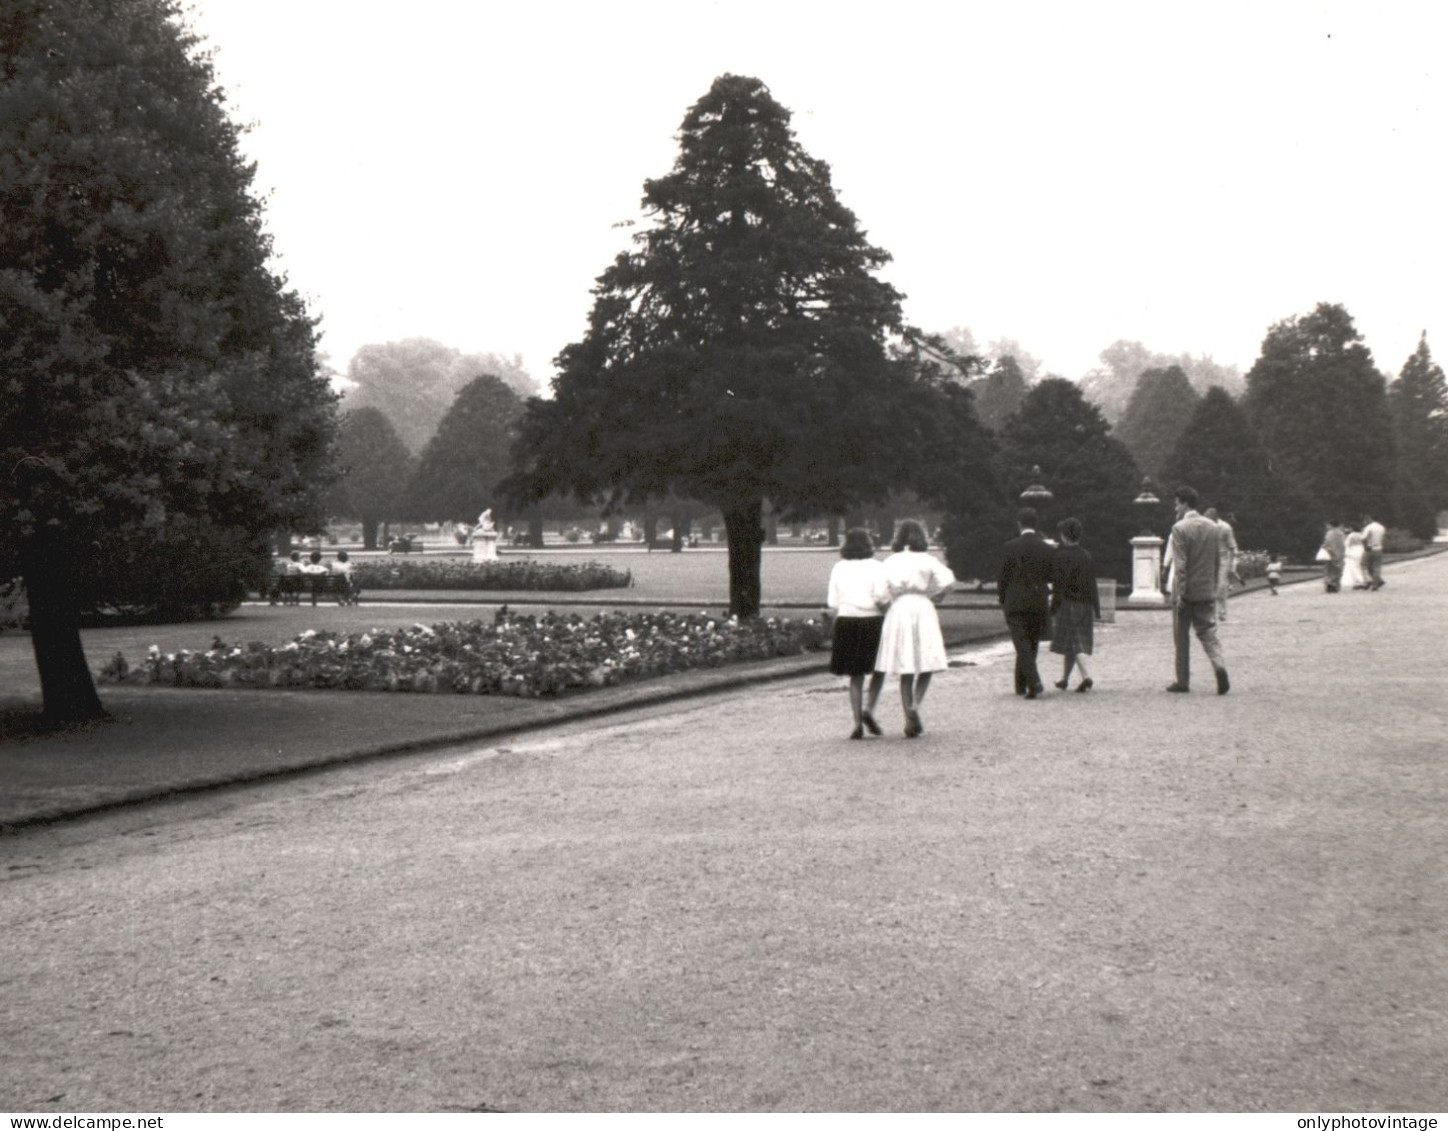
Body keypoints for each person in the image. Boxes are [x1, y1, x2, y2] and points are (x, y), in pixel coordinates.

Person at [874, 520, 955, 738]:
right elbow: (948, 580)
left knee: (905, 664)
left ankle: (908, 710)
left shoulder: (890, 561)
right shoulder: (928, 560)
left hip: (900, 607)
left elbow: (880, 592)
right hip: (922, 605)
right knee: (926, 660)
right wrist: (939, 595)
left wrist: (886, 608)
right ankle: (915, 707)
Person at [826, 528, 890, 740]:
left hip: (846, 620)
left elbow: (832, 602)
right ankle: (869, 709)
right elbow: (881, 596)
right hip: (871, 620)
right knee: (879, 668)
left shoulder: (839, 567)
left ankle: (856, 722)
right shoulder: (877, 567)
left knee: (856, 674)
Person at [1166, 486, 1230, 695]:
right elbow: (1217, 561)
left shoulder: (1180, 528)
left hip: (1186, 592)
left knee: (1181, 638)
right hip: (1205, 589)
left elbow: (1181, 565)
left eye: (1177, 503)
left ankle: (1182, 681)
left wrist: (1181, 593)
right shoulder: (1213, 527)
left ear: (1184, 503)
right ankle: (1219, 665)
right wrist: (1213, 587)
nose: (1175, 507)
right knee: (1208, 633)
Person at [997, 507, 1056, 700]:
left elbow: (1003, 578)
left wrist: (1002, 599)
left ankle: (1033, 681)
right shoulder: (1046, 549)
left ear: (1019, 523)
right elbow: (1051, 576)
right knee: (1031, 642)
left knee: (1021, 643)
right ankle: (1021, 684)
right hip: (1037, 599)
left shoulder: (1009, 547)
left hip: (1014, 600)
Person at [1049, 517, 1101, 693]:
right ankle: (1064, 679)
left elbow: (1058, 585)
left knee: (1073, 642)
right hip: (1085, 604)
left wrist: (1053, 607)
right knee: (1073, 643)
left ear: (1064, 536)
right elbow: (1092, 584)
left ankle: (1086, 676)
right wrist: (1097, 608)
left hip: (1069, 603)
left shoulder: (1062, 557)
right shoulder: (1087, 555)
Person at [1205, 507, 1239, 621]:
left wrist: (1232, 565)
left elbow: (1233, 548)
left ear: (1215, 519)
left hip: (1223, 559)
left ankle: (1222, 610)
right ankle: (1210, 613)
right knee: (1208, 587)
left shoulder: (1225, 528)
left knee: (1221, 586)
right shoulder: (1205, 528)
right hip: (1209, 559)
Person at [1361, 512, 1386, 590]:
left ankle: (1372, 581)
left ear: (1371, 519)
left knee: (1365, 565)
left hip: (1370, 548)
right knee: (1376, 566)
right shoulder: (1382, 527)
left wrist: (1365, 546)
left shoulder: (1369, 527)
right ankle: (1376, 583)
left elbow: (1363, 538)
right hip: (1378, 548)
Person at [1321, 520, 1346, 593]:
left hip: (1330, 553)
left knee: (1329, 570)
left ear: (1331, 525)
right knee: (1338, 570)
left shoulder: (1329, 533)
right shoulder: (1341, 534)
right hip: (1340, 553)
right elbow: (1344, 544)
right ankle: (1336, 585)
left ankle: (1329, 584)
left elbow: (1326, 543)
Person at [1343, 525, 1369, 589]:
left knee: (1353, 566)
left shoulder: (1351, 535)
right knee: (1358, 565)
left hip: (1353, 550)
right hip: (1360, 549)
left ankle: (1360, 581)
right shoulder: (1361, 535)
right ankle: (1358, 582)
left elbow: (1346, 544)